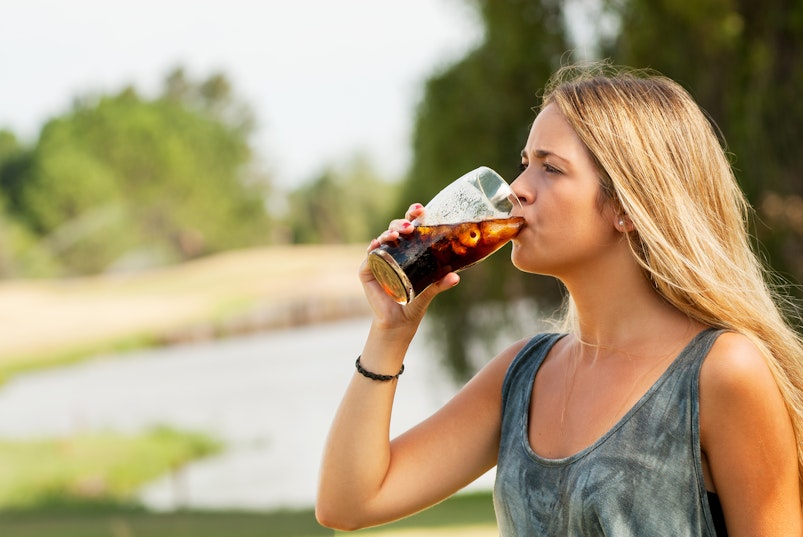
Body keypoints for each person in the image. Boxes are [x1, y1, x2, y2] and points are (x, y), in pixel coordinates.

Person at [315, 63, 803, 535]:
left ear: (626, 207)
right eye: (525, 165)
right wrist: (390, 332)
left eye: (551, 169)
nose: (518, 191)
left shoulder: (722, 372)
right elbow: (349, 503)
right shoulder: (520, 376)